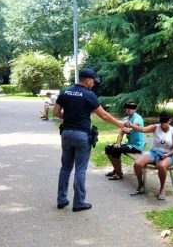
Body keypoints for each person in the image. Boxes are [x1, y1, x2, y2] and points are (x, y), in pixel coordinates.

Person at [53, 68, 127, 212]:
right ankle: (79, 203)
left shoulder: (65, 92)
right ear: (87, 80)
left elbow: (56, 112)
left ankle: (61, 199)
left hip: (66, 133)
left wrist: (68, 120)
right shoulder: (89, 95)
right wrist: (120, 124)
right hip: (82, 136)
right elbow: (104, 116)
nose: (93, 85)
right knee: (80, 170)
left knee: (65, 167)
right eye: (93, 82)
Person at [127, 110, 173, 200]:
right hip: (153, 152)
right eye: (161, 122)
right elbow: (143, 129)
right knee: (137, 164)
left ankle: (162, 188)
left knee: (162, 166)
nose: (163, 124)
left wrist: (167, 154)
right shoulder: (156, 127)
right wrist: (132, 125)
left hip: (167, 155)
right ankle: (141, 185)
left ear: (170, 120)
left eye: (165, 122)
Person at [104, 101, 144, 180]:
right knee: (108, 148)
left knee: (117, 150)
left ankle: (119, 173)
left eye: (132, 108)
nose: (129, 110)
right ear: (125, 109)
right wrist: (118, 143)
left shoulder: (137, 118)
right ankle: (116, 169)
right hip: (129, 144)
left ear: (135, 109)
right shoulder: (125, 119)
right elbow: (121, 134)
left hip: (136, 146)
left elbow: (133, 126)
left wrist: (128, 128)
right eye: (128, 108)